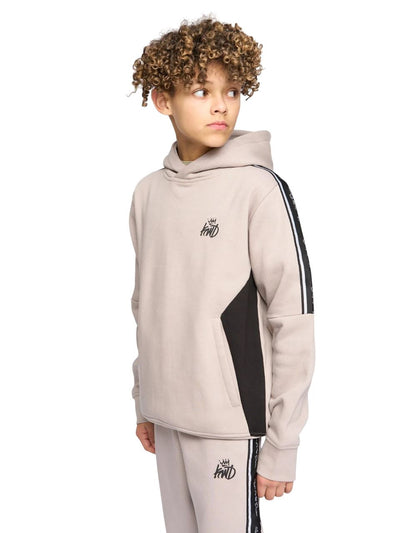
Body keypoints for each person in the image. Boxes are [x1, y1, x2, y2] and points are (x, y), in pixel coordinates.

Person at [128, 16, 315, 533]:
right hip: (167, 416)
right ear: (163, 100)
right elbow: (146, 304)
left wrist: (283, 442)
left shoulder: (259, 190)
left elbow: (293, 316)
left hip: (228, 423)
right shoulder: (148, 194)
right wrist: (144, 399)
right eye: (201, 90)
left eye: (232, 91)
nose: (221, 105)